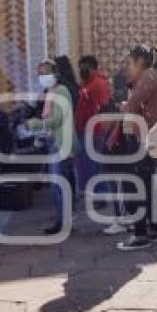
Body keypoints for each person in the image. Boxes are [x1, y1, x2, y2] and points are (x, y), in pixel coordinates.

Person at [108, 45, 157, 251]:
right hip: (144, 138)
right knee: (146, 185)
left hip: (142, 140)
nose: (128, 67)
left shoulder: (148, 78)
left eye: (130, 62)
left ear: (140, 62)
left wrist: (123, 105)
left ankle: (140, 234)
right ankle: (153, 229)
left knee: (135, 186)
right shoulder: (148, 78)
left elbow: (131, 105)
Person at [39, 66, 77, 235]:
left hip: (61, 143)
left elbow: (57, 118)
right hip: (55, 141)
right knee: (59, 184)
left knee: (58, 184)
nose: (42, 77)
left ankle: (63, 222)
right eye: (40, 74)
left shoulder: (60, 91)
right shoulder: (51, 92)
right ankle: (63, 220)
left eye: (45, 73)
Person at [73, 55, 111, 200]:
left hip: (94, 131)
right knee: (90, 162)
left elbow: (102, 106)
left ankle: (101, 192)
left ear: (93, 68)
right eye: (80, 68)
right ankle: (98, 190)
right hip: (86, 129)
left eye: (84, 68)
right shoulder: (87, 83)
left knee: (94, 163)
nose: (81, 71)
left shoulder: (97, 83)